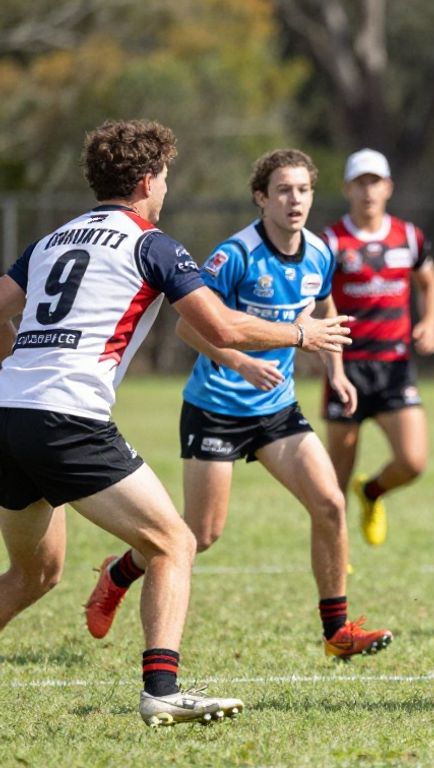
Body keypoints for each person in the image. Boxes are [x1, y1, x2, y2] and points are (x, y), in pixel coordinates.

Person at [0, 120, 351, 725]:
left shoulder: (53, 240)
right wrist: (303, 333)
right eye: (163, 177)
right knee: (174, 542)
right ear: (145, 182)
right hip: (69, 419)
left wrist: (18, 366)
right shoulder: (152, 244)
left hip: (8, 417)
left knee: (36, 573)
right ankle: (162, 691)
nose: (165, 188)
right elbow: (220, 327)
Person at [84, 148, 394, 662]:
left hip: (277, 409)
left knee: (330, 504)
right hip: (216, 408)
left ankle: (337, 632)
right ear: (261, 198)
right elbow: (188, 325)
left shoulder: (319, 252)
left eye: (303, 190)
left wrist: (337, 372)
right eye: (283, 191)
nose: (295, 200)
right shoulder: (236, 255)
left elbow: (324, 305)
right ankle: (118, 574)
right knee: (200, 534)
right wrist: (242, 362)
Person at [321, 149, 434, 547]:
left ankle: (372, 492)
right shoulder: (331, 241)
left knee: (413, 462)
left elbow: (431, 283)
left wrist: (429, 323)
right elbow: (316, 298)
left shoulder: (408, 237)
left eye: (375, 182)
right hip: (347, 369)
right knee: (333, 485)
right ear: (347, 189)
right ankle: (338, 561)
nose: (368, 190)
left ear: (388, 188)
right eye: (360, 183)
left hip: (394, 366)